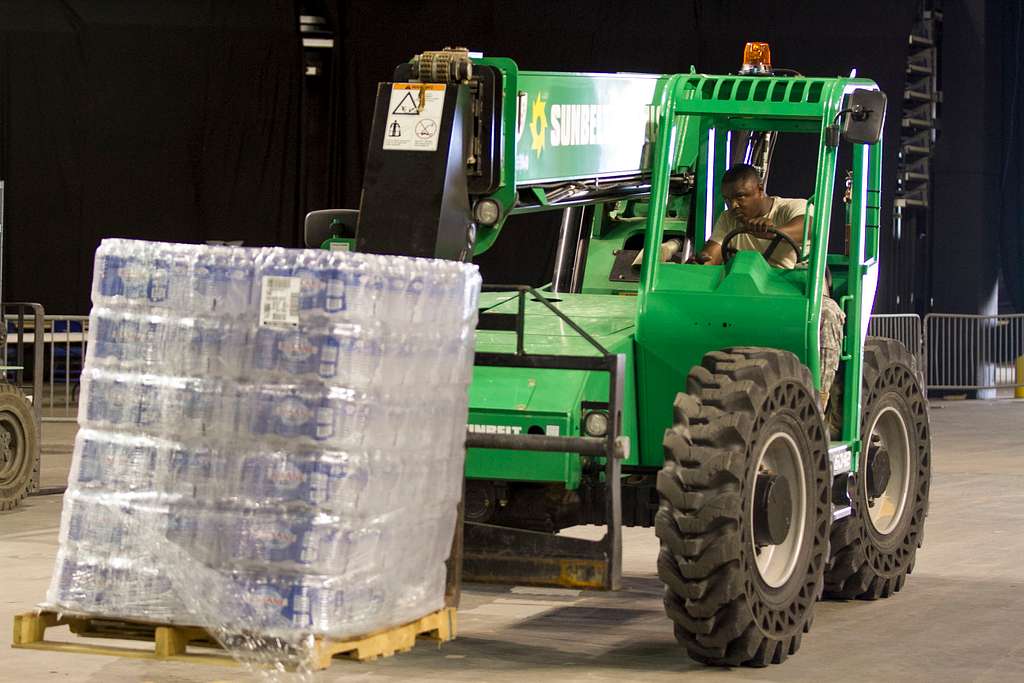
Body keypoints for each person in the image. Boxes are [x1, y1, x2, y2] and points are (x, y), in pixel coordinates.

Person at [697, 164, 845, 411]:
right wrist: (701, 260)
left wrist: (773, 231)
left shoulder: (793, 207)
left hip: (794, 289)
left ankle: (818, 399)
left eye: (740, 197)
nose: (733, 205)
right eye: (727, 199)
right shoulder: (728, 219)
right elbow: (712, 253)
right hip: (749, 293)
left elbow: (808, 226)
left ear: (760, 190)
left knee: (827, 314)